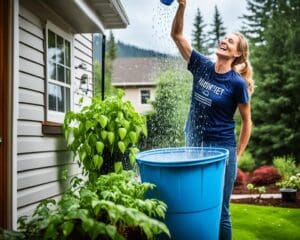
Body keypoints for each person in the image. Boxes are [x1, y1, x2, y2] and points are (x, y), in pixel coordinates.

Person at [171, 0, 253, 239]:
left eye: (231, 41)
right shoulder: (201, 66)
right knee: (194, 202)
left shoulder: (236, 84)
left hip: (221, 149)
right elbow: (177, 35)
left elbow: (247, 121)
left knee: (221, 210)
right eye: (224, 38)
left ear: (237, 53)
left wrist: (237, 154)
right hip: (194, 144)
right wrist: (182, 6)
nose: (224, 41)